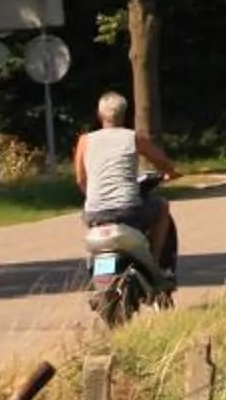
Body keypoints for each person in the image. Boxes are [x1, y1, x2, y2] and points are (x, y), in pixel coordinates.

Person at [74, 90, 179, 280]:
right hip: (127, 210)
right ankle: (154, 264)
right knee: (162, 206)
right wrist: (171, 173)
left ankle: (98, 269)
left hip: (94, 213)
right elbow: (161, 161)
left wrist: (94, 197)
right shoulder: (133, 137)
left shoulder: (85, 141)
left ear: (99, 115)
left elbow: (81, 180)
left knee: (88, 220)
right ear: (124, 115)